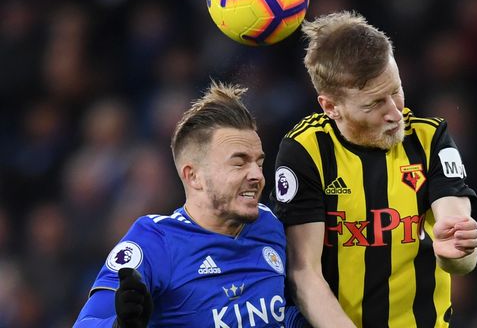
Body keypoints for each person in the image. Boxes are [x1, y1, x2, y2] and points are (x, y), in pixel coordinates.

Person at [271, 11, 477, 328]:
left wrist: (455, 252)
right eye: (374, 104)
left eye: (395, 91)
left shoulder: (429, 138)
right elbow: (304, 273)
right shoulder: (306, 151)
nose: (395, 113)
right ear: (330, 106)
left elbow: (460, 251)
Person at [74, 81, 306, 327]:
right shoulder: (155, 241)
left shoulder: (271, 226)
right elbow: (89, 321)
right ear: (193, 176)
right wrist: (120, 325)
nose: (257, 176)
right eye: (239, 163)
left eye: (258, 163)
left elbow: (291, 307)